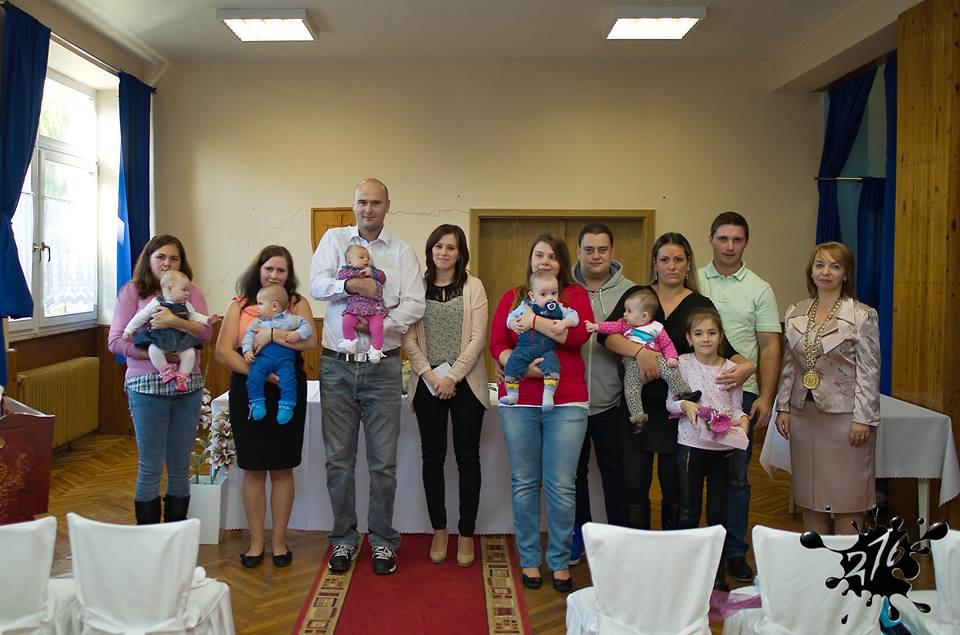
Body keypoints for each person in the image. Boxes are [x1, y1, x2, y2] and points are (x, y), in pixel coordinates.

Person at [599, 232, 753, 536]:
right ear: (655, 263)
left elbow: (725, 347)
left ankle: (672, 552)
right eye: (665, 259)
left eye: (678, 259)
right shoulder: (638, 296)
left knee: (675, 489)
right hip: (637, 409)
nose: (671, 266)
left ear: (688, 264)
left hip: (679, 412)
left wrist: (748, 366)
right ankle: (638, 551)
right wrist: (641, 353)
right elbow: (607, 336)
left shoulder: (699, 303)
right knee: (634, 485)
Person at [310, 178, 426, 576]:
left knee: (383, 464)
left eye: (376, 202)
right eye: (362, 201)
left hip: (383, 364)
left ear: (387, 206)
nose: (368, 209)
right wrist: (350, 284)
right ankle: (343, 538)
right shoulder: (333, 241)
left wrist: (378, 325)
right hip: (337, 364)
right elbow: (317, 285)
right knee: (338, 462)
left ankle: (382, 542)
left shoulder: (402, 251)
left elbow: (415, 304)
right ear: (354, 204)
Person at [490, 233, 593, 594]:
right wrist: (518, 366)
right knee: (524, 482)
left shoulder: (575, 297)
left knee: (561, 485)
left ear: (562, 263)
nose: (545, 261)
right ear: (530, 260)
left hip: (567, 402)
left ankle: (560, 561)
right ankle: (530, 559)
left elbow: (574, 338)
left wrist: (532, 321)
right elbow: (497, 344)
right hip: (519, 402)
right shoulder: (511, 297)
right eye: (539, 255)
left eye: (552, 256)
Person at [215, 245, 317, 568]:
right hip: (251, 388)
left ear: (289, 274)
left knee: (283, 467)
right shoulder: (239, 305)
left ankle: (280, 543)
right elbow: (223, 352)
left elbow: (310, 341)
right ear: (258, 270)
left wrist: (272, 334)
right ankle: (257, 543)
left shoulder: (298, 304)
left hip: (288, 388)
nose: (274, 274)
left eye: (281, 270)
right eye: (269, 268)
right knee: (254, 468)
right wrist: (261, 374)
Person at [697, 211, 782, 583]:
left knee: (736, 480)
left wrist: (766, 395)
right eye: (723, 239)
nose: (729, 246)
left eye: (737, 239)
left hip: (740, 399)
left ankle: (734, 551)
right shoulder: (695, 279)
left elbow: (770, 345)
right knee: (692, 477)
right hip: (696, 395)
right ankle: (696, 552)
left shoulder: (759, 288)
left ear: (745, 242)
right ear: (711, 240)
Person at [775, 242, 880, 535]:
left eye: (835, 266)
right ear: (811, 271)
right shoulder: (796, 311)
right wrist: (783, 408)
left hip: (846, 418)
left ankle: (848, 559)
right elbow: (789, 365)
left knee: (848, 498)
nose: (826, 272)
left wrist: (863, 418)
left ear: (846, 274)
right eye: (820, 265)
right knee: (810, 497)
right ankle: (816, 559)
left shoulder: (861, 315)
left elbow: (870, 371)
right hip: (804, 415)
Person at [108, 235, 212, 525]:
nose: (167, 263)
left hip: (187, 387)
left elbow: (205, 334)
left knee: (180, 466)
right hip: (146, 386)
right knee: (150, 466)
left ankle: (176, 536)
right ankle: (148, 538)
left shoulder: (191, 291)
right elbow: (115, 341)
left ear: (182, 263)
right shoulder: (133, 292)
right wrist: (159, 355)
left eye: (174, 258)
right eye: (161, 257)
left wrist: (174, 322)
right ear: (149, 260)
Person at [402, 224, 490, 567]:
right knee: (432, 457)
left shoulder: (473, 286)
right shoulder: (417, 287)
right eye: (438, 246)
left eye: (451, 247)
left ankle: (466, 532)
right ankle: (439, 529)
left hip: (466, 382)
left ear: (460, 253)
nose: (443, 252)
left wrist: (452, 377)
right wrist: (430, 375)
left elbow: (478, 338)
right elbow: (408, 338)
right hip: (427, 382)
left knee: (468, 458)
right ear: (430, 250)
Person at [667, 307, 750, 591]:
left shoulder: (731, 369)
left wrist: (743, 420)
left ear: (721, 337)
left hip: (722, 451)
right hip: (690, 447)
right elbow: (671, 403)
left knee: (718, 512)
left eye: (712, 333)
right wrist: (685, 405)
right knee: (689, 510)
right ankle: (686, 572)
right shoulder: (681, 364)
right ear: (688, 338)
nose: (706, 339)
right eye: (699, 333)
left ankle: (717, 574)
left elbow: (736, 408)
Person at [569, 224, 633, 564]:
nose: (596, 256)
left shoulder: (631, 293)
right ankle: (578, 537)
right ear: (578, 251)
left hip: (613, 401)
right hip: (571, 402)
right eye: (589, 249)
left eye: (602, 249)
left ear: (612, 252)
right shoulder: (564, 291)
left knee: (615, 474)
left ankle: (619, 541)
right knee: (574, 475)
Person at [586, 287, 700, 431]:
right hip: (632, 364)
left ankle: (682, 392)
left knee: (670, 370)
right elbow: (610, 327)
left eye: (629, 311)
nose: (624, 314)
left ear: (645, 316)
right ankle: (638, 419)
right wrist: (596, 326)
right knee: (631, 390)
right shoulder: (623, 325)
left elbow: (666, 344)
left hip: (656, 358)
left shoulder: (657, 327)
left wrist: (671, 357)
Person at [123, 269, 220, 392]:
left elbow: (194, 316)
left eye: (188, 290)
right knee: (153, 349)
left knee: (190, 353)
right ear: (169, 288)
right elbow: (141, 316)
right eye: (184, 290)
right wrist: (129, 330)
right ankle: (165, 370)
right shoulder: (157, 302)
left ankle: (182, 377)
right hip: (160, 337)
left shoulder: (186, 305)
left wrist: (207, 320)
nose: (188, 293)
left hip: (180, 338)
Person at [500, 270, 579, 410]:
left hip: (546, 350)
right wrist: (512, 324)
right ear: (532, 295)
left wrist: (564, 323)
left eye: (554, 293)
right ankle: (512, 394)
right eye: (543, 294)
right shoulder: (525, 307)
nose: (550, 298)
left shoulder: (559, 308)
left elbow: (574, 316)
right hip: (524, 348)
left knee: (552, 366)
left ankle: (548, 395)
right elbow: (510, 317)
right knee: (512, 364)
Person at [240, 284, 314, 424]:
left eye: (260, 303)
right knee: (254, 377)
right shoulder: (257, 323)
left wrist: (297, 334)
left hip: (284, 360)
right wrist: (247, 351)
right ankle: (256, 402)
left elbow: (307, 327)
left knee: (289, 380)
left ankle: (287, 405)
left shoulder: (291, 320)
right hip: (262, 359)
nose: (257, 307)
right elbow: (248, 336)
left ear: (274, 306)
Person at [336, 244, 388, 362]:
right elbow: (341, 277)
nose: (366, 260)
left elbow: (383, 277)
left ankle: (376, 350)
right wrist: (357, 274)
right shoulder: (346, 271)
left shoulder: (373, 271)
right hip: (354, 308)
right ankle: (350, 342)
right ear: (349, 261)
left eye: (368, 258)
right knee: (346, 321)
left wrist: (372, 273)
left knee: (377, 327)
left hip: (375, 309)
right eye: (361, 257)